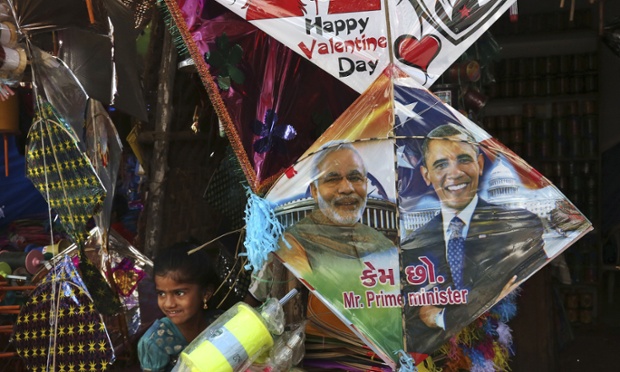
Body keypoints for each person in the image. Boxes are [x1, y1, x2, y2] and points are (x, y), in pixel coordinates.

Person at [401, 123, 547, 354]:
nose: (455, 173)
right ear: (426, 175)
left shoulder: (520, 225)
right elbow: (410, 318)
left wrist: (441, 316)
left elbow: (496, 286)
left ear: (479, 164)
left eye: (464, 160)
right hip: (440, 359)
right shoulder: (413, 245)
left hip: (499, 348)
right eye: (441, 165)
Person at [138, 242, 221, 372]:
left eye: (179, 293)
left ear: (206, 293)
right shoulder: (155, 343)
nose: (169, 303)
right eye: (161, 293)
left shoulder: (221, 324)